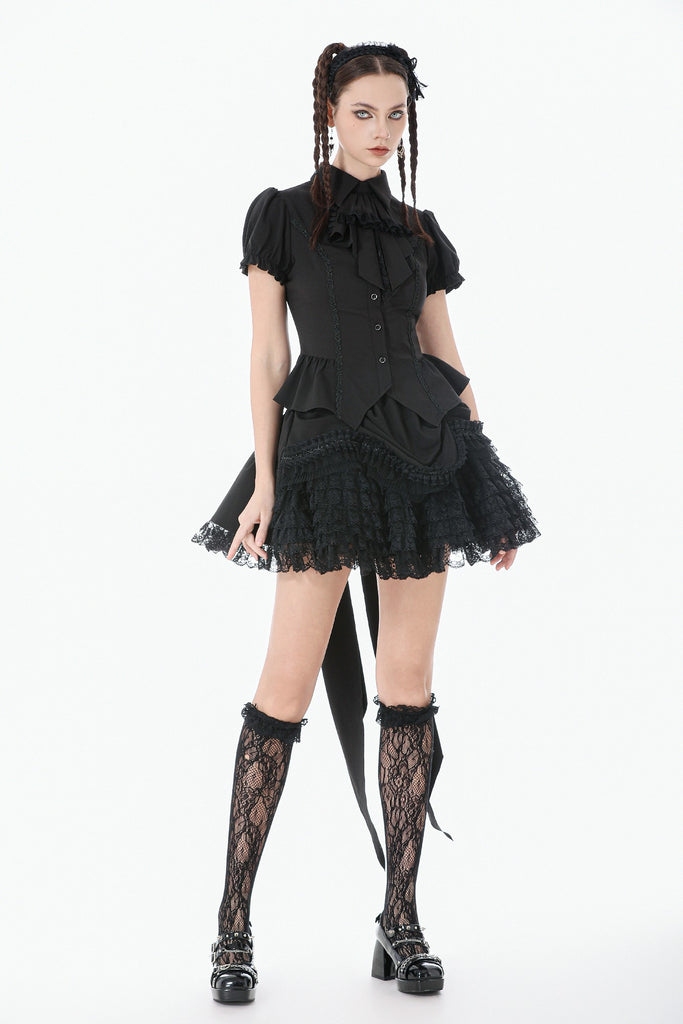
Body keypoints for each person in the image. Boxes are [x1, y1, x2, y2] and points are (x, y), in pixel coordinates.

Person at [191, 39, 541, 1003]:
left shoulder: (421, 232)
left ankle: (401, 918)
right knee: (283, 691)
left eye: (395, 115)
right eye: (364, 113)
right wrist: (264, 484)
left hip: (424, 460)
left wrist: (487, 486)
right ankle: (231, 924)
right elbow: (267, 356)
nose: (381, 130)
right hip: (321, 455)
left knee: (408, 689)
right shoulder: (280, 215)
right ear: (329, 115)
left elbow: (447, 358)